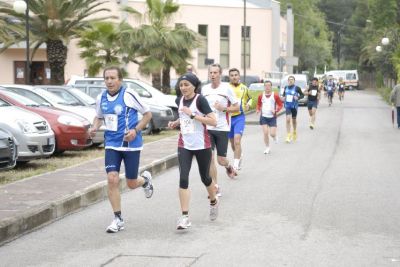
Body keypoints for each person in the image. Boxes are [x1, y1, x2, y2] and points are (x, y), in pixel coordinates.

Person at [88, 66, 154, 233]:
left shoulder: (129, 94)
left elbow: (147, 114)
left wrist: (135, 130)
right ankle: (118, 219)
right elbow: (99, 116)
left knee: (132, 183)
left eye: (112, 78)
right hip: (111, 144)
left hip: (131, 145)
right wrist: (94, 127)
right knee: (112, 179)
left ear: (120, 80)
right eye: (106, 78)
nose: (109, 81)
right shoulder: (101, 97)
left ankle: (145, 181)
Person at [168, 73, 219, 230]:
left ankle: (213, 201)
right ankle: (184, 217)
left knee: (205, 178)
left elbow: (213, 121)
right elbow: (184, 116)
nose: (183, 88)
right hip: (184, 144)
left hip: (202, 144)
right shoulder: (179, 100)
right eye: (181, 85)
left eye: (186, 84)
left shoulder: (200, 100)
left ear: (194, 86)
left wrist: (194, 115)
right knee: (183, 178)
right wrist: (175, 122)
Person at [202, 63, 239, 196]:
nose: (212, 75)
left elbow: (236, 108)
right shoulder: (204, 89)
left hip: (222, 128)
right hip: (208, 127)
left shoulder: (227, 88)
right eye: (211, 73)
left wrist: (223, 108)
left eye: (215, 73)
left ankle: (229, 166)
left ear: (220, 74)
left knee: (221, 160)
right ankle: (215, 186)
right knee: (210, 158)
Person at [227, 68, 252, 170]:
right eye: (232, 75)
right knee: (233, 144)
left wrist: (248, 105)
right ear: (229, 77)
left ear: (239, 76)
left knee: (237, 140)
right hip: (228, 118)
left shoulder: (244, 88)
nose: (234, 77)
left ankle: (236, 165)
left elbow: (250, 98)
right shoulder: (226, 88)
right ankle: (239, 155)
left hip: (239, 117)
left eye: (236, 75)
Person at [256, 80, 283, 154]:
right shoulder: (261, 95)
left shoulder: (275, 95)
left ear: (271, 87)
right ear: (264, 87)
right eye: (266, 86)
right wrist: (258, 110)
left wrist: (276, 110)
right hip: (264, 116)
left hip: (272, 117)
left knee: (272, 134)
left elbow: (280, 105)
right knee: (265, 133)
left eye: (269, 86)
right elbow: (258, 104)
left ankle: (274, 137)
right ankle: (267, 148)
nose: (267, 87)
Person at [281, 75, 304, 143]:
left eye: (292, 80)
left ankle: (294, 131)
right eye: (289, 80)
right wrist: (283, 98)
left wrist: (298, 98)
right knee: (288, 119)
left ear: (294, 81)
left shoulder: (297, 88)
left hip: (294, 106)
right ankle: (288, 135)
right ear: (288, 81)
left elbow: (302, 95)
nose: (290, 81)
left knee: (294, 120)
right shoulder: (286, 87)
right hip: (287, 105)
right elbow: (284, 95)